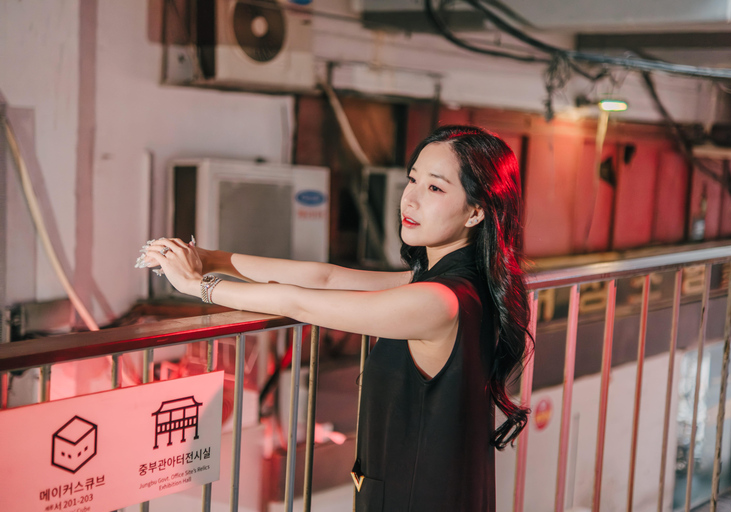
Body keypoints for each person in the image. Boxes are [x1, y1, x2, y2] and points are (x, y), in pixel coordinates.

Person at [140, 124, 532, 512]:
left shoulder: (438, 301)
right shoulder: (454, 283)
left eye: (435, 188)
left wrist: (199, 285)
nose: (410, 199)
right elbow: (326, 277)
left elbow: (300, 303)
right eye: (412, 180)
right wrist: (211, 259)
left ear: (476, 211)